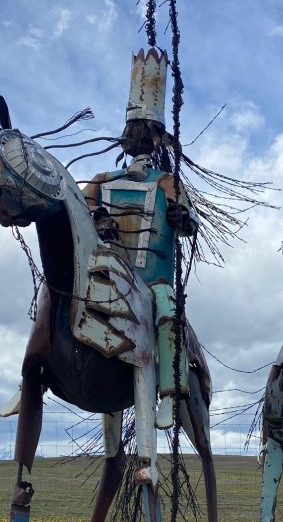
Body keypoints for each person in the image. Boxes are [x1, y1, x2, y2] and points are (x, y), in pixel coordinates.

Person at [82, 48, 197, 430]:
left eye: (144, 130)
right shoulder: (102, 180)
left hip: (153, 280)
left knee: (168, 309)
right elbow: (81, 211)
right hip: (109, 276)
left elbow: (189, 223)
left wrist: (182, 217)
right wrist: (98, 218)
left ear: (158, 138)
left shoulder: (167, 182)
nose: (135, 136)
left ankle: (171, 393)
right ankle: (35, 371)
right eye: (132, 129)